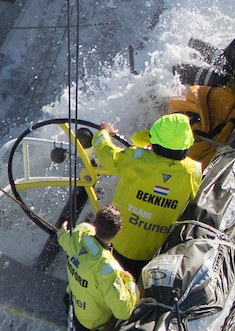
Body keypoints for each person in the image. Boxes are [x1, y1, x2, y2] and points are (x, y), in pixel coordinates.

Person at [82, 114, 201, 265]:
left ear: (154, 142)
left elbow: (106, 153)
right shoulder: (194, 171)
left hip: (119, 243)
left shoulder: (137, 158)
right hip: (154, 254)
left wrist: (103, 133)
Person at [58, 205, 139, 331]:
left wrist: (62, 231)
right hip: (93, 325)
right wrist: (129, 283)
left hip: (72, 303)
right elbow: (123, 311)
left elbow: (63, 239)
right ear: (119, 231)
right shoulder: (108, 269)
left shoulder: (80, 233)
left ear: (94, 223)